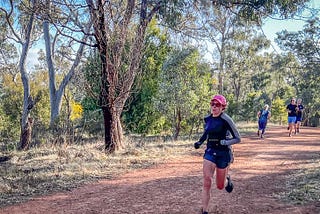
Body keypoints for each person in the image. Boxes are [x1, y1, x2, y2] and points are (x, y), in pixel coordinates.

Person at [194, 95, 241, 214]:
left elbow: (238, 138)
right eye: (213, 104)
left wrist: (225, 142)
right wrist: (199, 142)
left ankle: (227, 180)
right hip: (210, 151)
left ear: (222, 107)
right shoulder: (208, 119)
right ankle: (205, 211)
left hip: (223, 153)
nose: (214, 106)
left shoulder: (226, 120)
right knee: (206, 181)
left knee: (220, 186)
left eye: (218, 104)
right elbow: (206, 132)